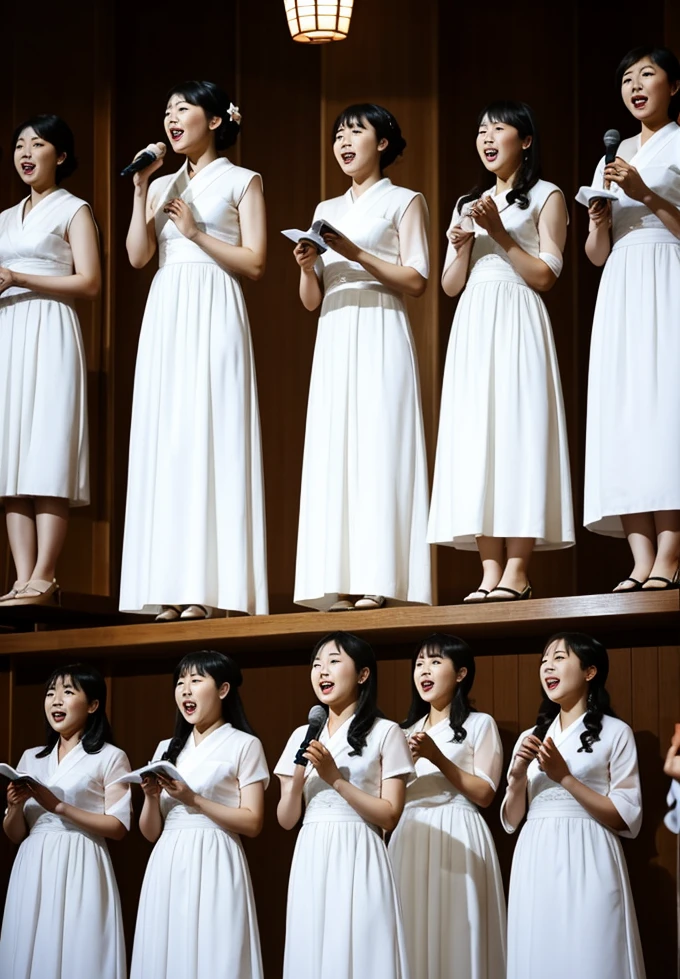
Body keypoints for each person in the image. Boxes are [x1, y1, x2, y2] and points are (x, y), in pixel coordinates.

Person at [119, 80, 268, 621]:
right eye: (167, 110)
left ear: (215, 120)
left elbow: (255, 262)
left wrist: (197, 234)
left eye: (183, 109)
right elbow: (138, 257)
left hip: (215, 303)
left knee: (211, 435)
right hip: (168, 307)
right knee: (170, 440)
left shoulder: (242, 180)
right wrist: (141, 191)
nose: (171, 118)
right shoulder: (160, 186)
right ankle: (170, 585)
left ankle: (210, 589)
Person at [428, 101, 573, 602]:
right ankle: (489, 570)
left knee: (517, 433)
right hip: (474, 319)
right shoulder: (469, 201)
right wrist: (464, 245)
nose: (487, 137)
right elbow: (449, 285)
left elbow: (546, 275)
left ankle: (518, 569)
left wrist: (499, 234)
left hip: (517, 314)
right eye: (481, 128)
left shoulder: (547, 195)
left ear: (525, 141)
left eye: (499, 128)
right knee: (477, 439)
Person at [292, 103, 431, 612]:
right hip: (335, 330)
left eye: (356, 132)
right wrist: (309, 268)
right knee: (337, 448)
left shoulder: (404, 200)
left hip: (378, 326)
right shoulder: (325, 208)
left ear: (384, 143)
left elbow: (416, 280)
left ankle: (380, 577)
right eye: (338, 135)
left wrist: (355, 254)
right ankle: (340, 579)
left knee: (378, 446)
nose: (345, 142)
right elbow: (311, 300)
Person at [502, 632, 651, 979]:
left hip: (590, 853)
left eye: (559, 658)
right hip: (535, 854)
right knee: (540, 955)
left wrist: (565, 778)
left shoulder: (615, 733)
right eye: (543, 660)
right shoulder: (531, 737)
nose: (547, 667)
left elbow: (625, 815)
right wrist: (517, 775)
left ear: (590, 671)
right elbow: (513, 819)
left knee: (592, 955)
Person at [275, 631, 414, 979]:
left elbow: (389, 815)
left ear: (364, 674)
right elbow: (286, 820)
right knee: (312, 954)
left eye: (334, 661)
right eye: (317, 664)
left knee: (361, 955)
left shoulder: (386, 732)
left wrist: (335, 778)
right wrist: (300, 776)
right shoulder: (302, 736)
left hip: (360, 850)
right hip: (311, 850)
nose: (322, 671)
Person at [126, 650, 269, 979]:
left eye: (195, 681)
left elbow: (253, 822)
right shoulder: (166, 749)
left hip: (217, 857)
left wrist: (193, 799)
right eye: (180, 682)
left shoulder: (244, 744)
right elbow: (151, 831)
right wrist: (152, 799)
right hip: (168, 860)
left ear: (223, 689)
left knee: (214, 958)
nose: (185, 690)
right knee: (166, 958)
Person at [583, 46, 680, 592]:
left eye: (648, 74)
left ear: (674, 86)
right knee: (626, 408)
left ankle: (670, 552)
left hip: (668, 272)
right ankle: (641, 556)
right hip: (621, 279)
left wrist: (645, 193)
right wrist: (600, 221)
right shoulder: (608, 158)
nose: (636, 85)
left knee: (665, 406)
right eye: (627, 77)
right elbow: (597, 254)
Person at [0, 115, 100, 606]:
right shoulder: (3, 217)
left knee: (46, 451)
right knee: (10, 457)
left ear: (59, 156)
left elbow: (90, 282)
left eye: (37, 144)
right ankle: (22, 578)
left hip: (51, 328)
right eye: (20, 144)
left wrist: (20, 276)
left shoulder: (73, 209)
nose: (25, 153)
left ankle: (46, 572)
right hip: (9, 331)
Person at [0, 664, 130, 979]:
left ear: (92, 705)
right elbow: (16, 833)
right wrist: (13, 808)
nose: (56, 700)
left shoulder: (109, 756)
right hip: (33, 863)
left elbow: (118, 826)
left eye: (68, 692)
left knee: (79, 953)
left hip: (82, 859)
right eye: (50, 693)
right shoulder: (32, 758)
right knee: (29, 950)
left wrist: (56, 805)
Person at [388, 633, 506, 979]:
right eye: (419, 663)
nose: (424, 670)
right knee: (409, 938)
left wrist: (439, 758)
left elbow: (485, 793)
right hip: (409, 833)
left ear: (461, 674)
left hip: (458, 830)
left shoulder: (479, 724)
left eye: (435, 662)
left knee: (457, 938)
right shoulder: (400, 730)